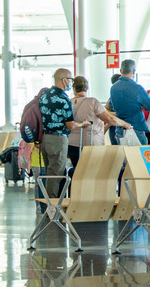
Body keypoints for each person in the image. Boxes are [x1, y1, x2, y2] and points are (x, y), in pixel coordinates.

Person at [39, 68, 86, 199]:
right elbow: (70, 125)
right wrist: (82, 124)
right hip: (58, 139)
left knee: (49, 173)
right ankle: (53, 208)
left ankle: (47, 206)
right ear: (64, 80)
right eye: (70, 80)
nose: (71, 83)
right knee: (56, 175)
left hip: (45, 138)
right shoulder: (63, 98)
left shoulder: (45, 94)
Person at [69, 75, 128, 167]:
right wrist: (126, 124)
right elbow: (109, 119)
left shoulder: (68, 102)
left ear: (74, 88)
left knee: (77, 171)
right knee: (93, 171)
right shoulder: (92, 102)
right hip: (91, 144)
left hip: (72, 143)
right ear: (87, 87)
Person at [110, 59, 150, 145]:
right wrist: (140, 106)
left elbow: (113, 106)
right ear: (134, 71)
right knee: (139, 157)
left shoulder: (113, 88)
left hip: (120, 130)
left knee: (125, 157)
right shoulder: (137, 88)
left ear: (120, 70)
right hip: (136, 129)